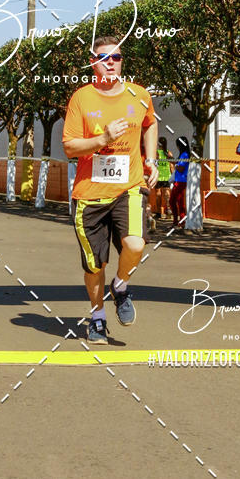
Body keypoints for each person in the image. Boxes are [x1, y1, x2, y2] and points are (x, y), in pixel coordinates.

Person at [63, 36, 159, 344]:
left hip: (129, 187)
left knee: (135, 245)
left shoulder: (139, 94)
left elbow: (150, 123)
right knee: (95, 265)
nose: (110, 63)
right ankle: (98, 317)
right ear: (93, 63)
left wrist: (151, 159)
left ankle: (120, 285)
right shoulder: (81, 98)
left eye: (116, 57)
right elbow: (70, 147)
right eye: (104, 58)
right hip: (89, 195)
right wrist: (103, 139)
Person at [169, 136, 190, 226]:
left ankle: (181, 221)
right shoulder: (183, 154)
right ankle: (178, 221)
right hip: (179, 180)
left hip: (181, 181)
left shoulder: (185, 155)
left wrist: (175, 164)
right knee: (175, 201)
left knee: (176, 201)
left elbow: (181, 168)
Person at [154, 136, 172, 219]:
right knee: (167, 195)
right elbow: (171, 165)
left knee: (158, 195)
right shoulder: (168, 153)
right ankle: (168, 211)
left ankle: (158, 213)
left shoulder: (156, 153)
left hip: (158, 176)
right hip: (167, 176)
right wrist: (173, 175)